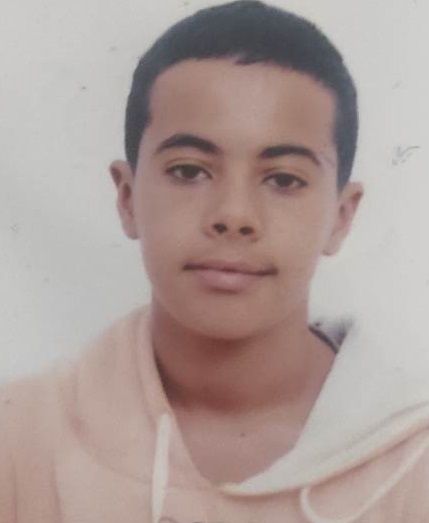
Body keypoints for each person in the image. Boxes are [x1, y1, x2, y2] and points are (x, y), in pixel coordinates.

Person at [1, 1, 429, 522]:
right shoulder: (19, 440)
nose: (234, 215)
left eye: (284, 179)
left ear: (341, 216)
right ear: (127, 198)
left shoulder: (415, 459)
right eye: (189, 171)